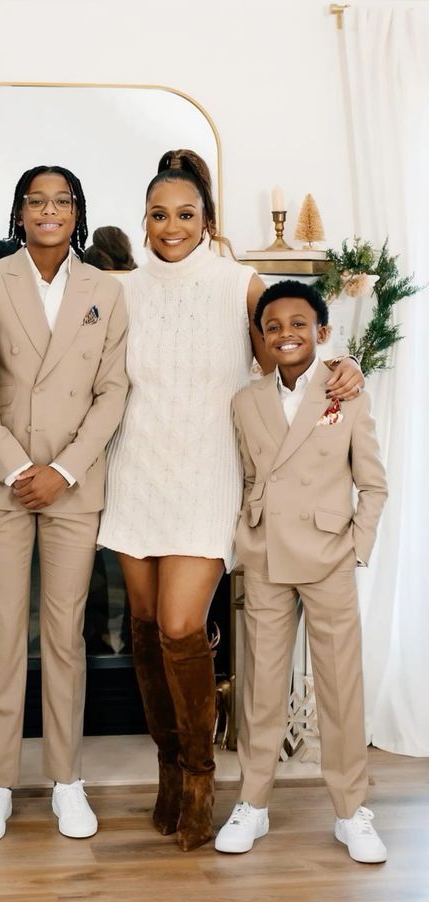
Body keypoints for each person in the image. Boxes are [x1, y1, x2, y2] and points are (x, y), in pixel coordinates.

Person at [97, 149, 366, 852]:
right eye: (159, 214)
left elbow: (290, 342)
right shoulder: (122, 288)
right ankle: (167, 764)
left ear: (206, 219)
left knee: (184, 625)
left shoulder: (236, 281)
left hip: (208, 472)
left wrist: (347, 366)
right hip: (135, 471)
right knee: (149, 623)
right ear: (145, 221)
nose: (171, 226)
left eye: (185, 214)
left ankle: (199, 774)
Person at [0, 165, 128, 844]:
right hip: (1, 484)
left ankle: (67, 781)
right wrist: (14, 467)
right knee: (4, 639)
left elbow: (112, 392)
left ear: (77, 212)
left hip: (73, 487)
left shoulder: (106, 292)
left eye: (62, 201)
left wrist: (61, 470)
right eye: (37, 201)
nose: (50, 211)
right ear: (20, 213)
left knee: (64, 640)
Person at [215, 280, 388, 863]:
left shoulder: (345, 391)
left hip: (328, 553)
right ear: (260, 340)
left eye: (297, 324)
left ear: (322, 332)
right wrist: (244, 537)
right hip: (266, 556)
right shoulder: (245, 401)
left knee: (341, 686)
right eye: (272, 327)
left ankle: (350, 809)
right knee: (262, 684)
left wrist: (356, 549)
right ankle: (254, 803)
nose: (284, 333)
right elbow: (245, 476)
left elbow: (373, 483)